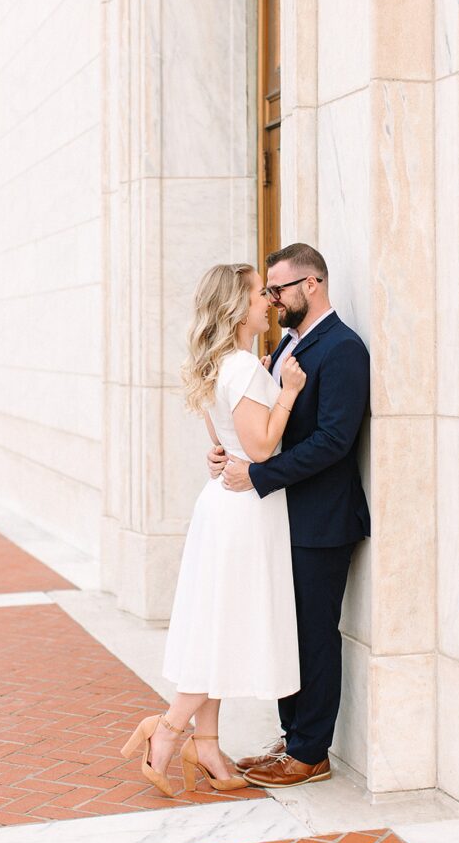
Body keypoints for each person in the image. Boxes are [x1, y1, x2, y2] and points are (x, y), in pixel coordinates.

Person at [121, 262, 306, 797]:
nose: (267, 301)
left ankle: (208, 747)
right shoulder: (244, 367)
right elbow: (263, 448)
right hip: (244, 510)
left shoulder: (225, 364)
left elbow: (225, 443)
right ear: (235, 306)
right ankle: (169, 730)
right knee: (222, 628)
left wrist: (267, 381)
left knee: (217, 628)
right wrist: (287, 390)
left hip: (226, 505)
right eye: (257, 294)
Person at [212, 243, 370, 789]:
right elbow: (269, 427)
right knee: (287, 629)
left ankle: (311, 752)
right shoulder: (285, 344)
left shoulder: (344, 348)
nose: (273, 300)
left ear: (313, 285)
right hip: (283, 516)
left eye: (279, 290)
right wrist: (234, 454)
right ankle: (291, 736)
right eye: (269, 292)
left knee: (315, 634)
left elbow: (334, 441)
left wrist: (257, 477)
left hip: (322, 521)